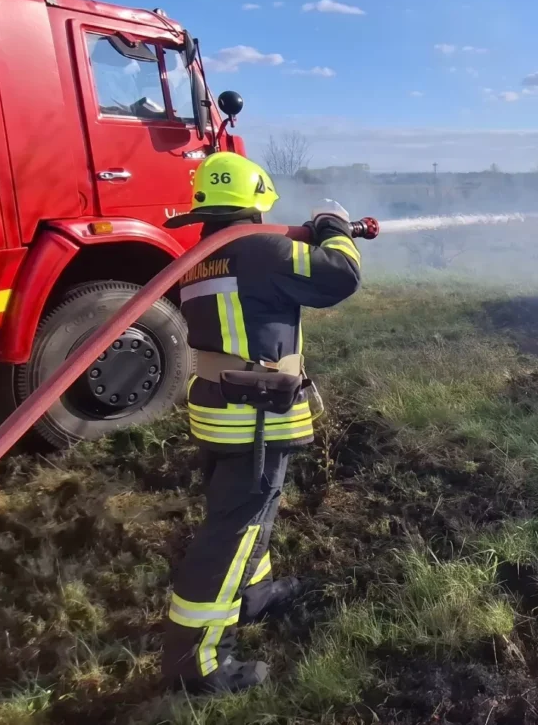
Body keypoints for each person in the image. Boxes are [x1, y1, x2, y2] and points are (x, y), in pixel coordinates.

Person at [159, 151, 362, 694]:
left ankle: (254, 592)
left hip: (224, 410)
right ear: (257, 198)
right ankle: (196, 662)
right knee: (234, 527)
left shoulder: (202, 255)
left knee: (252, 508)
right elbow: (340, 276)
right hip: (254, 415)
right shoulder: (261, 250)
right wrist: (334, 226)